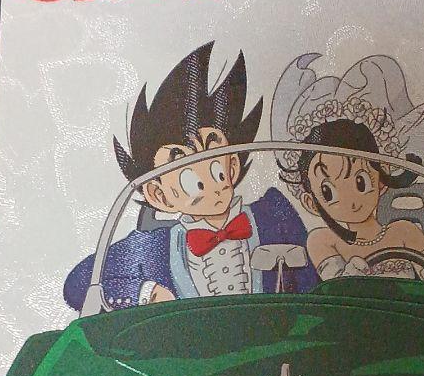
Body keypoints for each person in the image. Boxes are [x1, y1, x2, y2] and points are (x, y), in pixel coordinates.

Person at [64, 43, 316, 311]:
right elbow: (78, 283)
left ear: (232, 166)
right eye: (190, 180)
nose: (209, 186)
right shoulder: (153, 249)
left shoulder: (274, 215)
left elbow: (314, 285)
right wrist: (146, 292)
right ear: (159, 196)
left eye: (217, 170)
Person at [277, 104, 424, 290]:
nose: (350, 200)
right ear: (311, 203)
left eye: (361, 182)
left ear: (380, 179)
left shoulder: (405, 232)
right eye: (328, 192)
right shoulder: (323, 240)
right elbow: (337, 290)